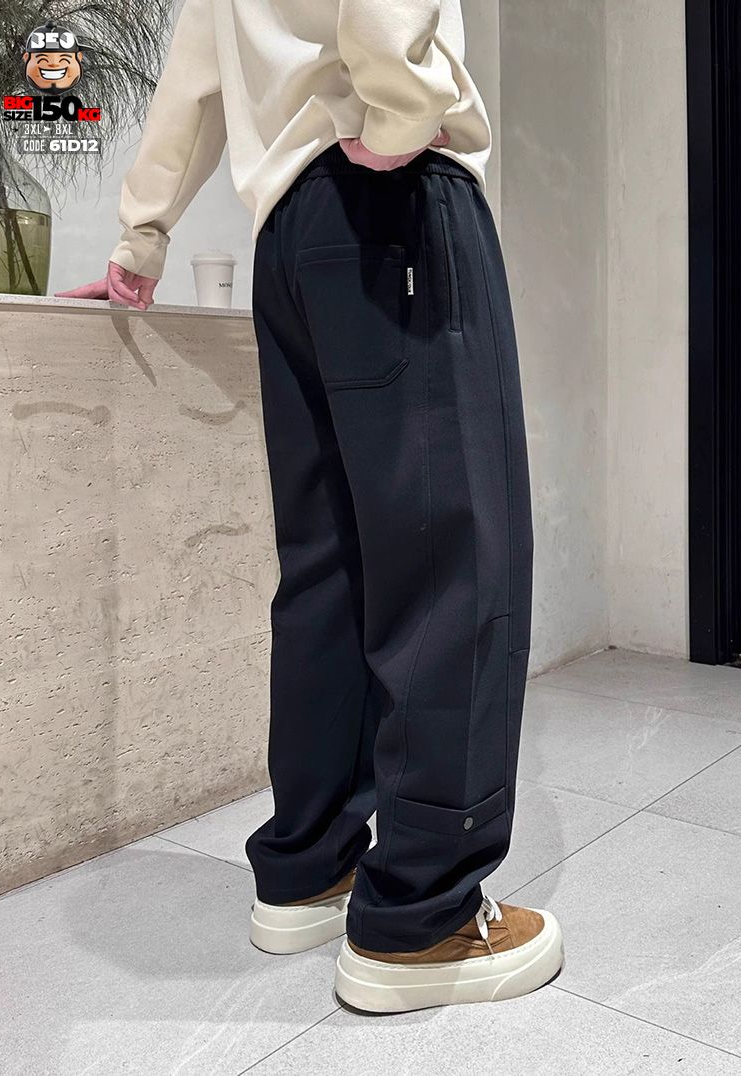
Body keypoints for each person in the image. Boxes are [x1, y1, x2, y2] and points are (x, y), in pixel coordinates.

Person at [57, 0, 564, 1013]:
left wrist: (142, 235)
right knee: (451, 560)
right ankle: (421, 917)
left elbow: (198, 78)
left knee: (329, 565)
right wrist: (401, 113)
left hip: (289, 236)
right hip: (392, 199)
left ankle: (309, 863)